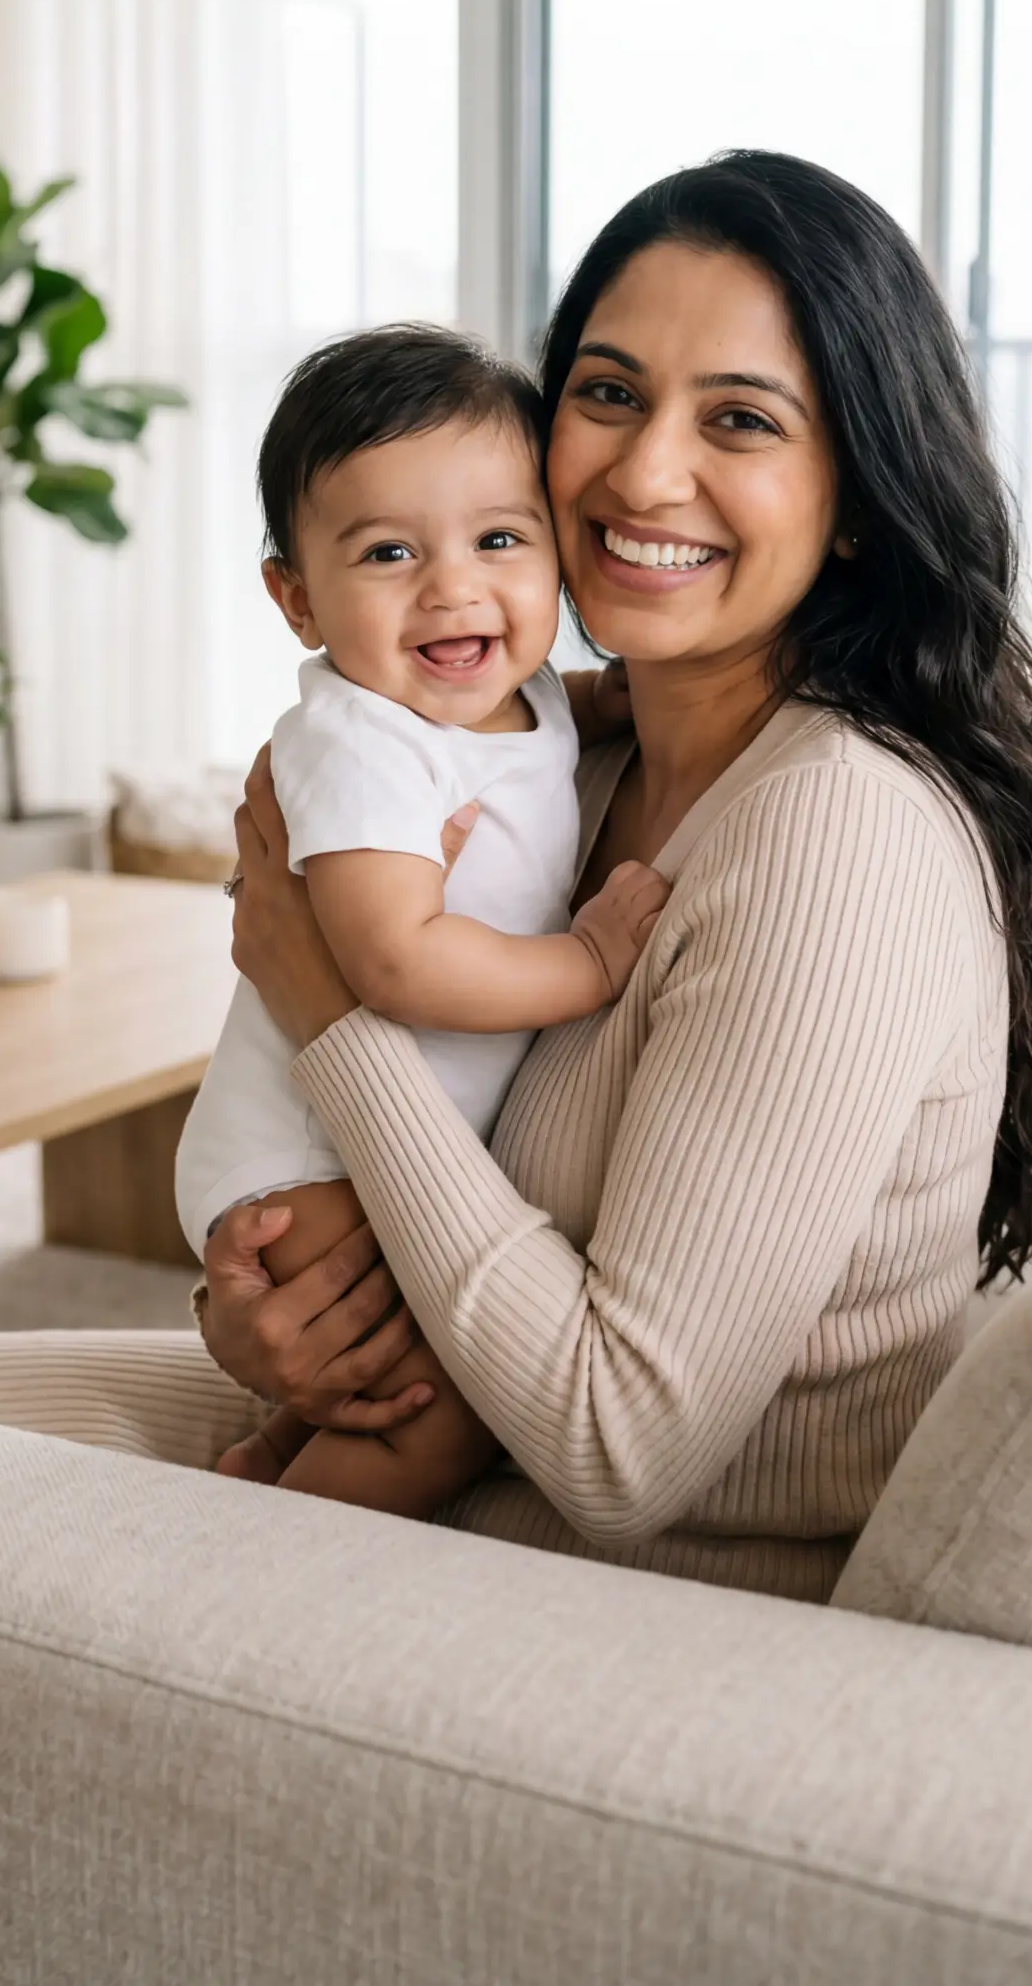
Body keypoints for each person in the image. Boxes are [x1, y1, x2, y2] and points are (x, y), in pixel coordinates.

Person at [0, 149, 1032, 1603]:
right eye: (608, 392)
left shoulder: (837, 835)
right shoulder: (556, 751)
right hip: (445, 1416)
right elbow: (399, 1160)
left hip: (647, 1568)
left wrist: (327, 1008)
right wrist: (257, 1320)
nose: (644, 472)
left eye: (739, 419)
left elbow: (618, 1452)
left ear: (853, 495)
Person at [176, 323, 666, 1513]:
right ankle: (266, 1551)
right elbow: (395, 959)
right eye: (390, 551)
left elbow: (563, 711)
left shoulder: (519, 692)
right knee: (437, 1404)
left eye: (499, 539)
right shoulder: (362, 741)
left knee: (388, 1366)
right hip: (309, 1158)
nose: (454, 586)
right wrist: (589, 961)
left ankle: (271, 1457)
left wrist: (629, 695)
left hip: (371, 1144)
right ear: (298, 599)